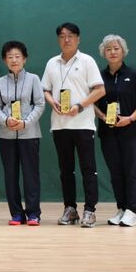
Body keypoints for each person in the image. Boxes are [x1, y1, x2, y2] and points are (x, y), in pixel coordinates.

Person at [41, 22, 105, 228]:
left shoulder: (87, 61)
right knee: (66, 170)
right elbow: (45, 90)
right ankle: (70, 209)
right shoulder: (52, 63)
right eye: (62, 36)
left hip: (83, 124)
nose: (66, 39)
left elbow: (100, 90)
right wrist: (52, 102)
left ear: (78, 39)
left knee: (88, 169)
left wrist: (79, 106)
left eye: (70, 35)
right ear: (58, 39)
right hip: (60, 125)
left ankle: (90, 210)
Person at [94, 35, 136, 227]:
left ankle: (131, 210)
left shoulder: (133, 75)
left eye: (116, 48)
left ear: (123, 51)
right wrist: (102, 116)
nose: (113, 52)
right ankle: (121, 208)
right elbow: (92, 102)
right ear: (103, 53)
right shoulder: (99, 77)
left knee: (131, 171)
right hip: (107, 132)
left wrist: (130, 118)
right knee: (115, 172)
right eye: (108, 49)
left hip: (130, 131)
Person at [0, 40, 44, 226]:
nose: (14, 60)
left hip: (29, 134)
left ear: (24, 59)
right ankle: (16, 214)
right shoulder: (0, 82)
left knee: (31, 175)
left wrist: (25, 123)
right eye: (10, 57)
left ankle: (33, 214)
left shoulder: (34, 79)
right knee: (10, 175)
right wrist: (6, 121)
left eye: (17, 56)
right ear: (5, 60)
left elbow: (40, 104)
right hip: (6, 135)